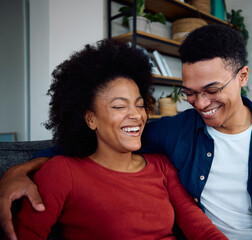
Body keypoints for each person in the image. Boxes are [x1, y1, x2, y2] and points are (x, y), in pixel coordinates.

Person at [1, 24, 252, 239]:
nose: (200, 104)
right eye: (189, 92)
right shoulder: (172, 132)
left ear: (243, 77)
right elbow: (99, 143)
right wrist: (19, 169)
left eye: (212, 89)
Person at [1, 39, 227, 240]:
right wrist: (18, 171)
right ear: (90, 119)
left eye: (140, 105)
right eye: (119, 106)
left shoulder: (161, 166)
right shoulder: (62, 172)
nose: (136, 115)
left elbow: (200, 229)